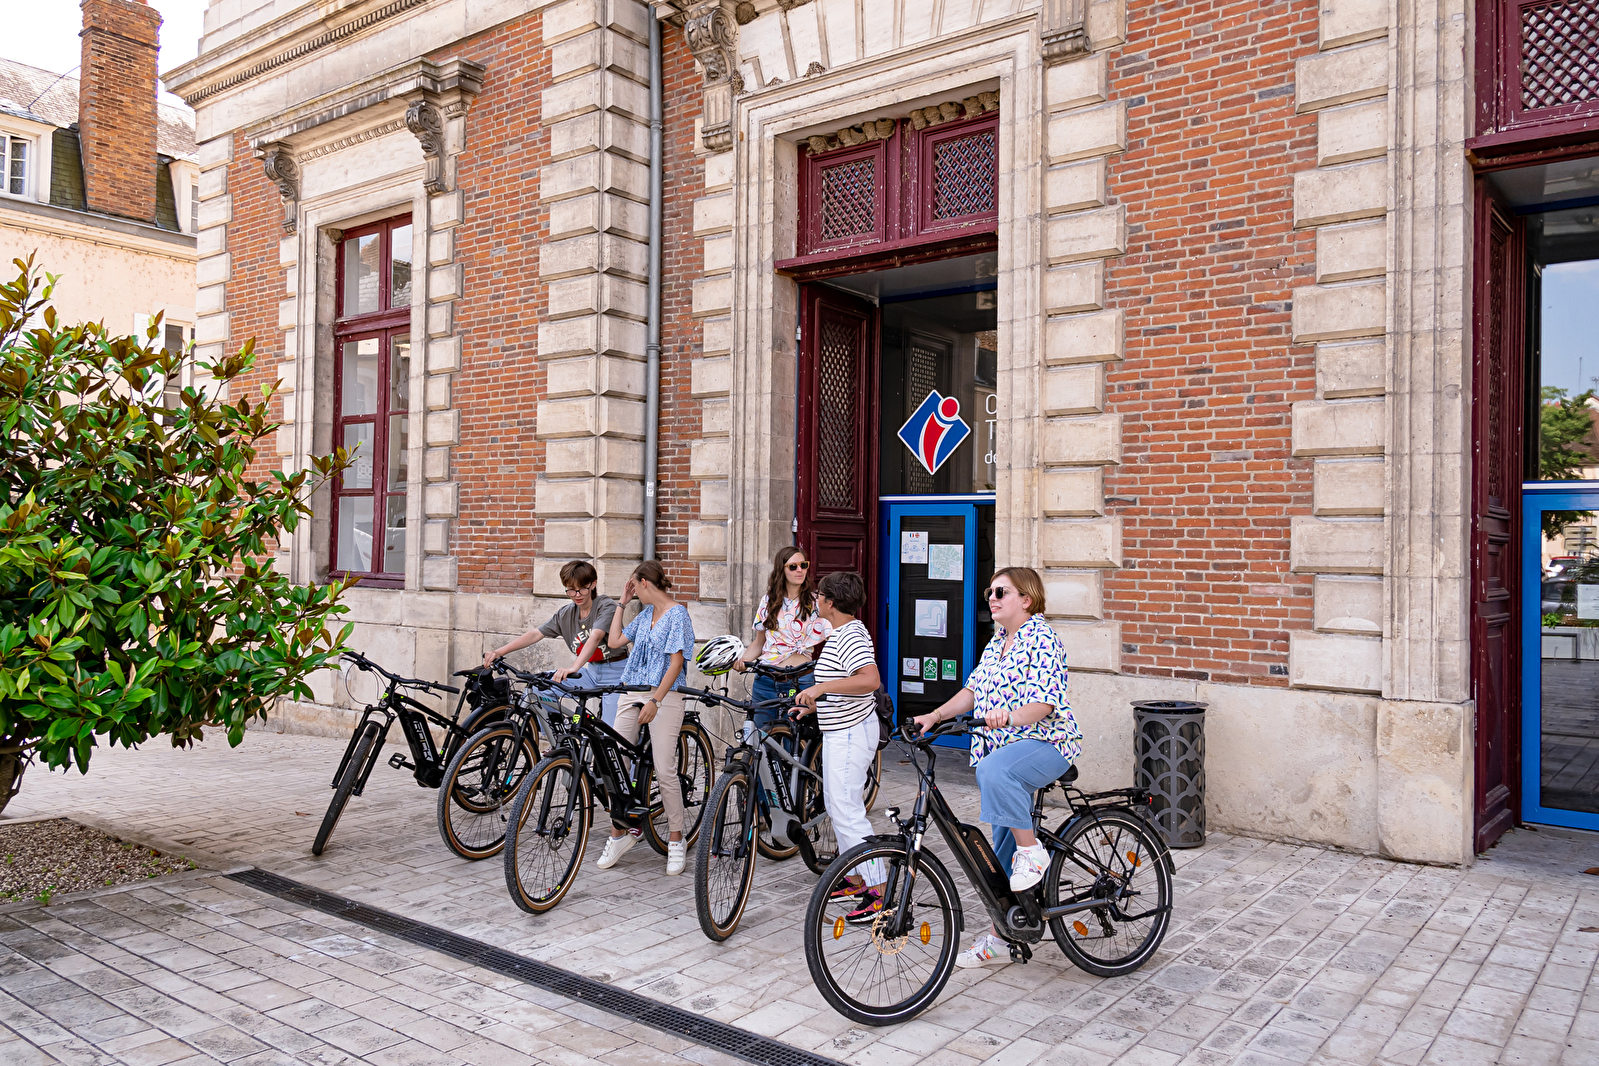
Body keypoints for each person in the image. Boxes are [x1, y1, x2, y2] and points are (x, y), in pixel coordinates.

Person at [912, 566, 1080, 968]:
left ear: (1026, 599)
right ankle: (1003, 934)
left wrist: (1010, 717)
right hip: (1005, 749)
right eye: (990, 591)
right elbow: (972, 690)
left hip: (1047, 743)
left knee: (994, 773)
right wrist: (934, 715)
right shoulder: (997, 641)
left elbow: (1046, 703)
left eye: (1001, 591)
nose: (992, 597)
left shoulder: (1042, 639)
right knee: (998, 856)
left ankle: (1032, 851)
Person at [793, 571, 885, 923]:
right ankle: (857, 878)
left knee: (847, 811)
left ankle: (879, 892)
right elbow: (846, 686)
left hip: (850, 734)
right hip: (840, 730)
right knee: (838, 807)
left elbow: (869, 680)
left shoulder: (850, 636)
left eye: (819, 594)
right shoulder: (842, 633)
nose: (815, 599)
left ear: (830, 602)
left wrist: (820, 688)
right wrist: (815, 705)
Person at [598, 560, 697, 876]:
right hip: (633, 690)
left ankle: (676, 838)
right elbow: (614, 642)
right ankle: (619, 833)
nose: (633, 591)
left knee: (664, 768)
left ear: (644, 583)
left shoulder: (677, 614)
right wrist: (622, 603)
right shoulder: (644, 615)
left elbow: (676, 664)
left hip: (664, 693)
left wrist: (656, 700)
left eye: (633, 585)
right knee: (615, 761)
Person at [485, 560, 627, 726]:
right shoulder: (566, 614)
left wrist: (574, 668)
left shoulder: (605, 606)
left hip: (617, 674)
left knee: (611, 733)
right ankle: (557, 735)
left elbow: (595, 637)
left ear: (593, 584)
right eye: (571, 590)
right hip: (591, 673)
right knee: (538, 687)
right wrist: (500, 652)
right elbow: (536, 634)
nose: (577, 595)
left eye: (582, 588)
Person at [733, 545, 830, 732]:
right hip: (766, 680)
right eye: (793, 566)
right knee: (761, 738)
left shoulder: (816, 602)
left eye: (803, 565)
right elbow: (759, 643)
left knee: (796, 739)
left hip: (800, 679)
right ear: (781, 570)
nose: (800, 570)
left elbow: (833, 639)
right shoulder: (768, 601)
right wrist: (743, 661)